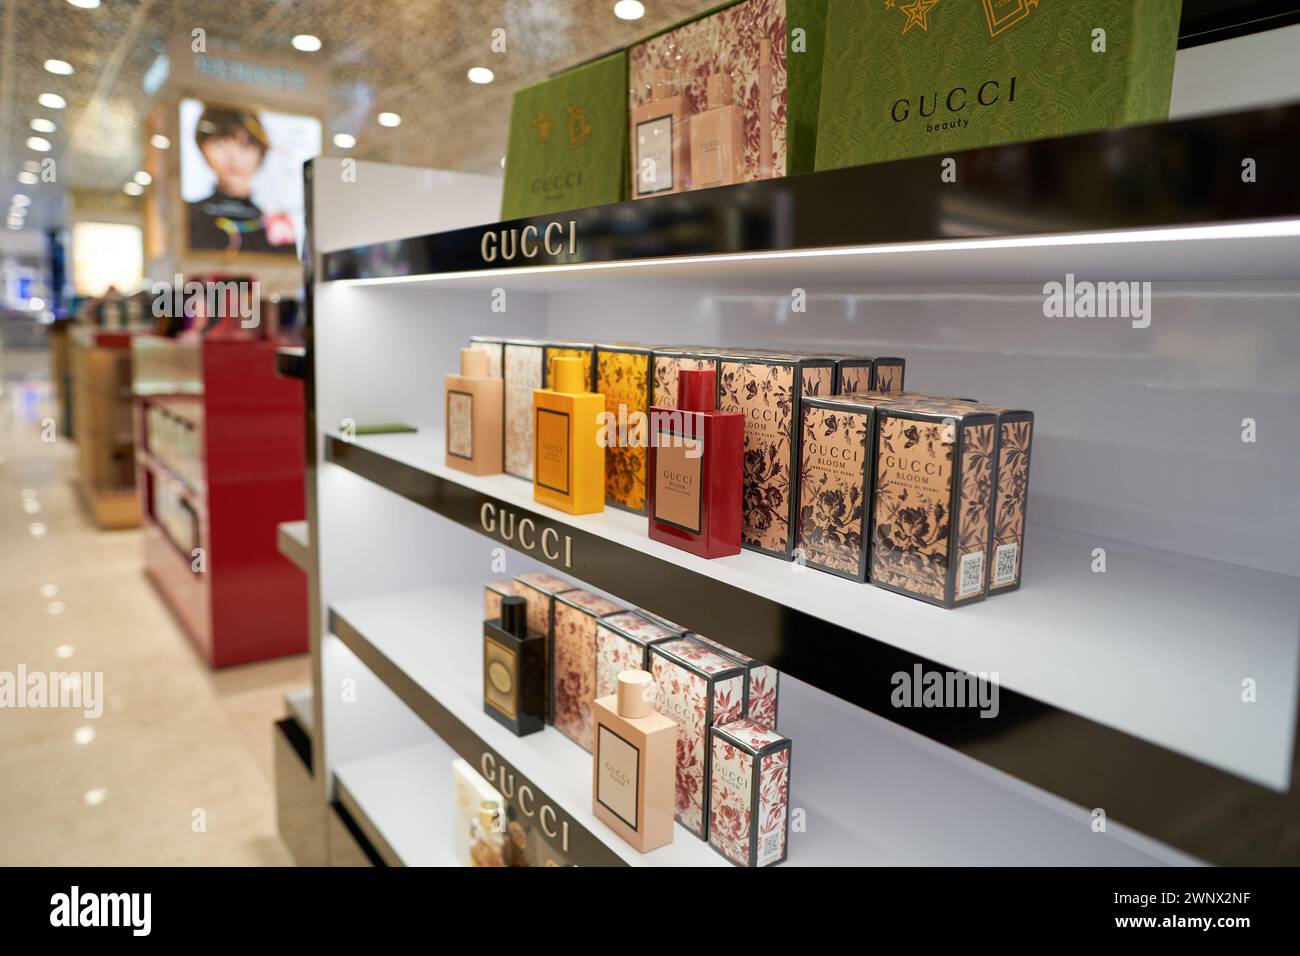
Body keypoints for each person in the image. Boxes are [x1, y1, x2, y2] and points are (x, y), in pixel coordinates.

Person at [187, 106, 293, 255]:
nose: (233, 158)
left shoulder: (275, 225)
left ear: (261, 151)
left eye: (245, 145)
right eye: (220, 143)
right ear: (203, 148)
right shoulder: (189, 215)